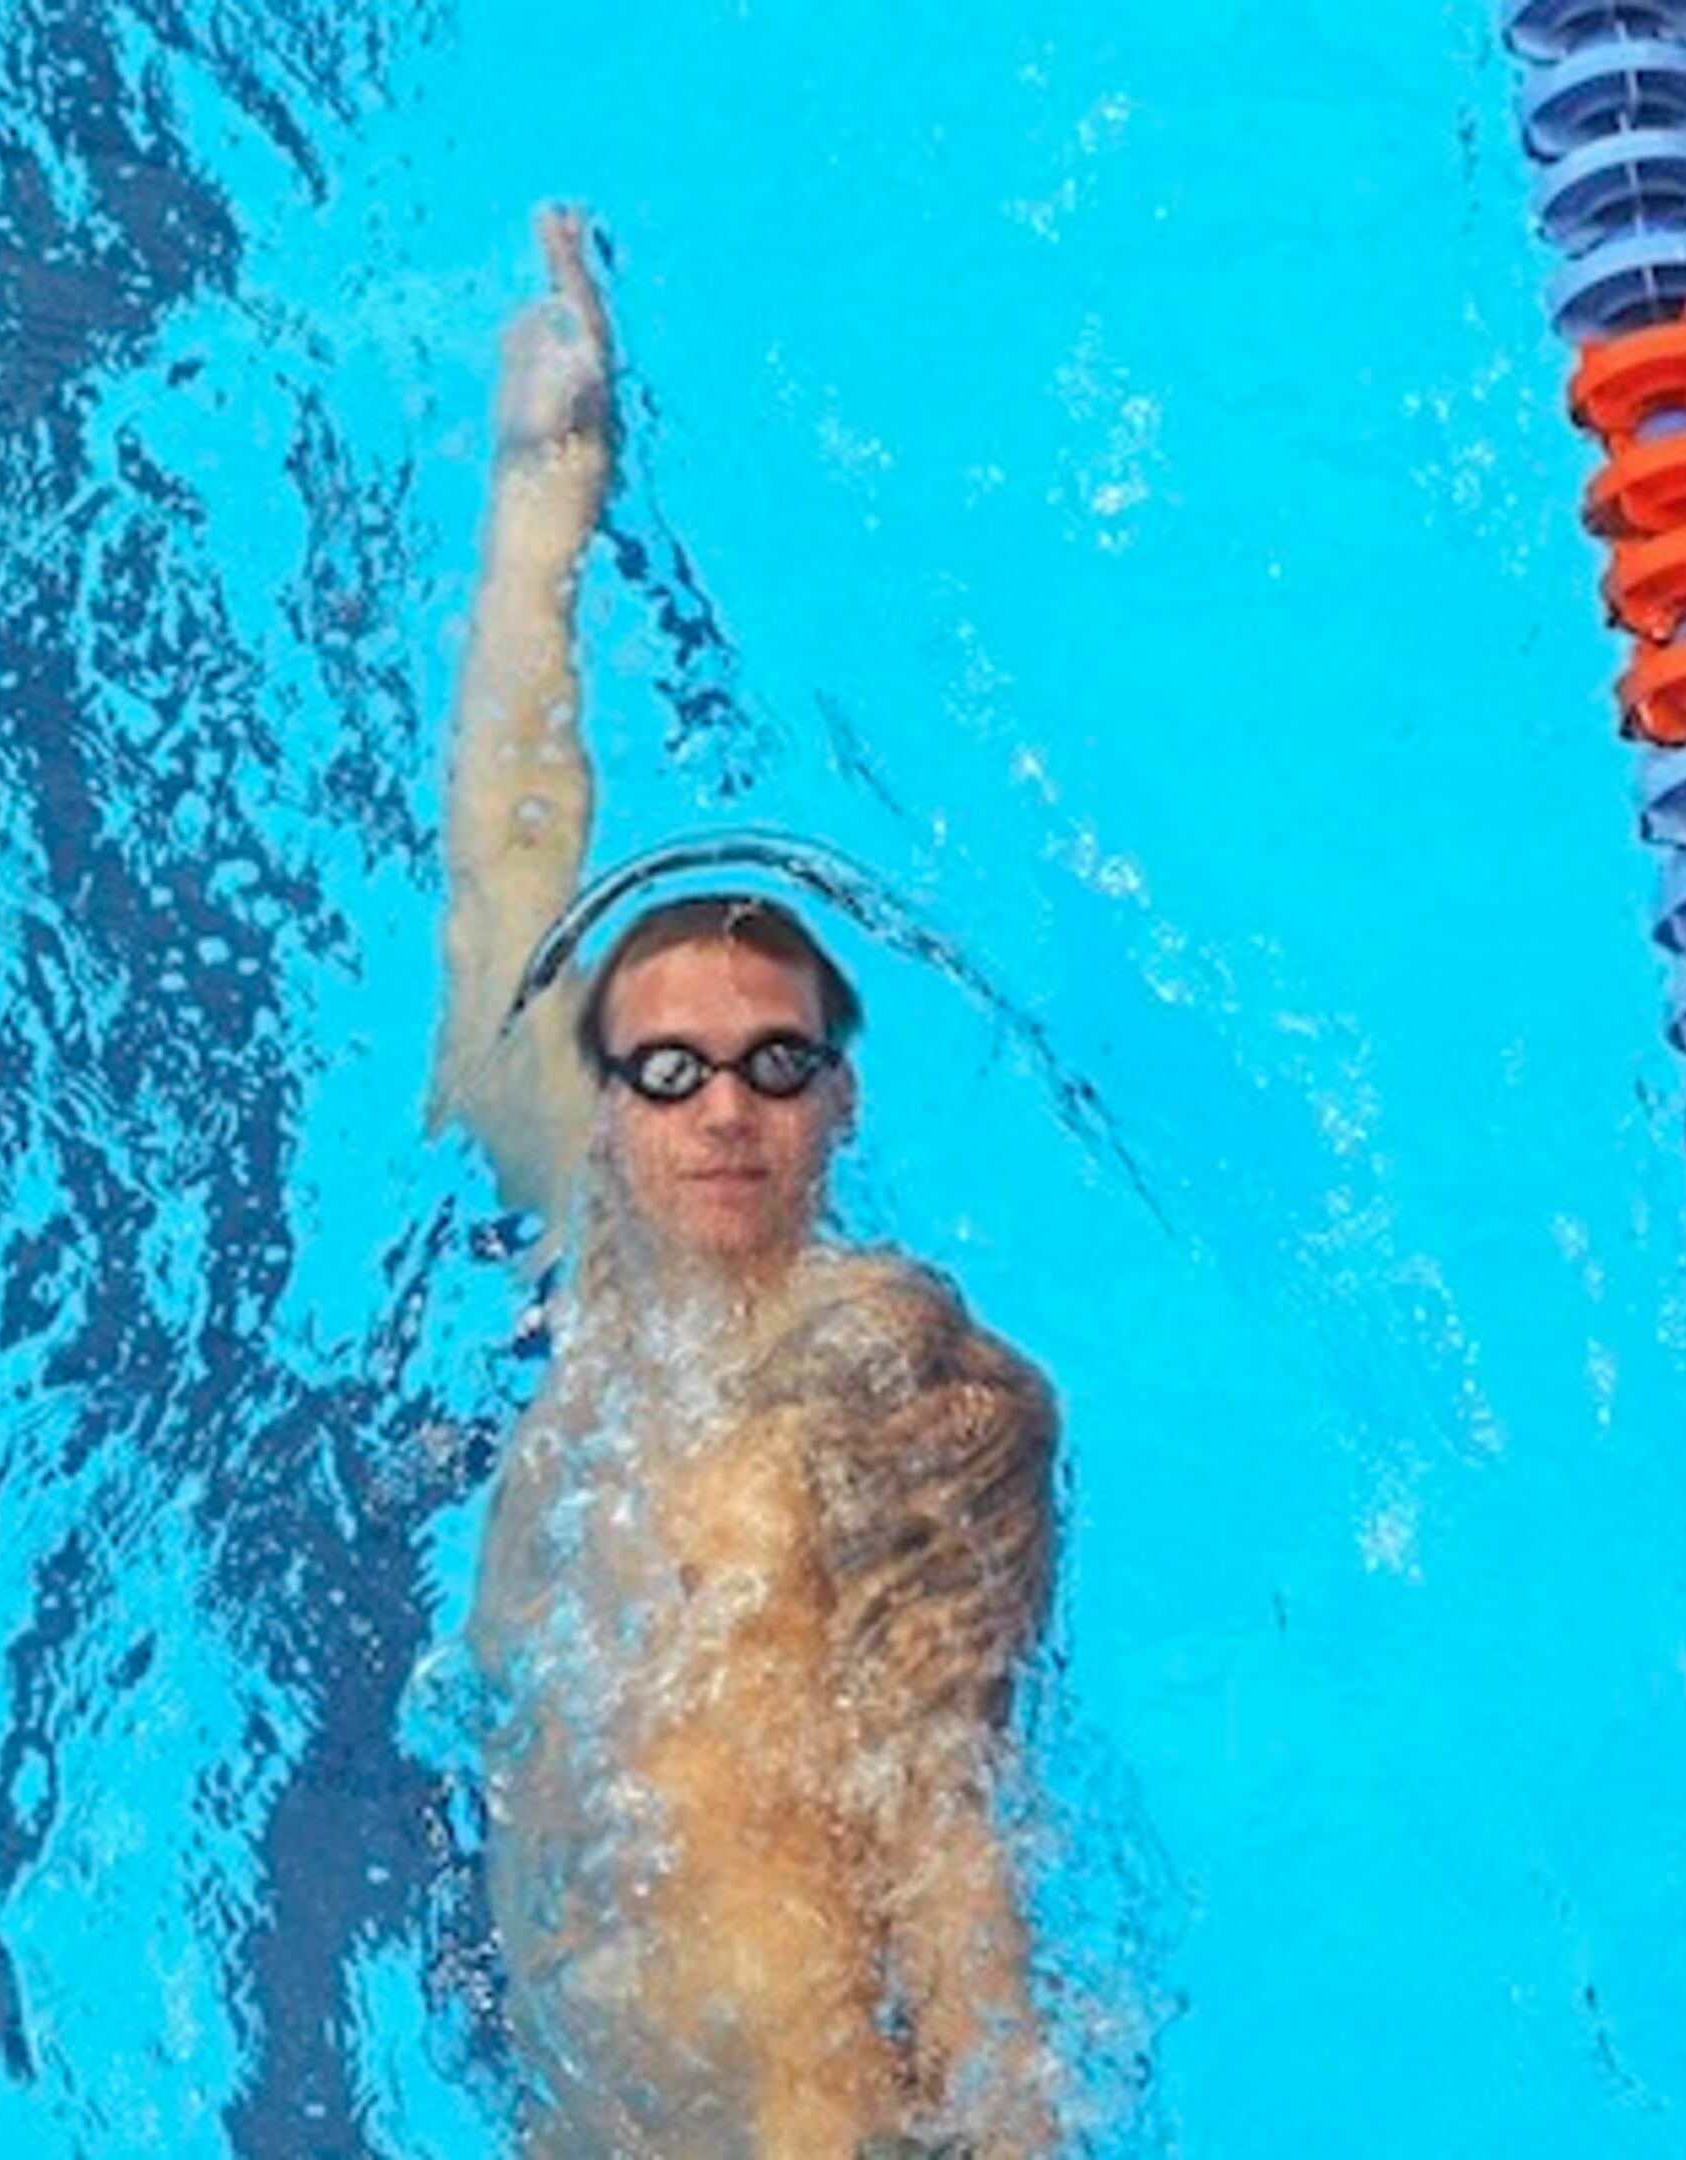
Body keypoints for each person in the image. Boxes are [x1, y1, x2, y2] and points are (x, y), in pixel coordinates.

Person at [435, 206, 1065, 2159]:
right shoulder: (587, 1265)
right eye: (676, 1070)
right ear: (608, 1099)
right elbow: (510, 858)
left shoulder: (906, 1364)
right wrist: (545, 494)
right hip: (570, 2091)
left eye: (777, 1066)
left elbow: (952, 1811)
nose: (726, 1112)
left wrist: (1015, 2111)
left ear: (843, 1106)